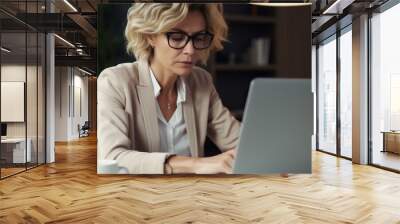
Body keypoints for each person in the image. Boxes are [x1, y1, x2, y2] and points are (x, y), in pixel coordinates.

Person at [97, 3, 240, 174]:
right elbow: (113, 157)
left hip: (194, 196)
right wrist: (196, 164)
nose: (190, 50)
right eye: (177, 37)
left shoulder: (201, 81)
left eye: (198, 38)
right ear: (150, 36)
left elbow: (240, 142)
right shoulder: (115, 82)